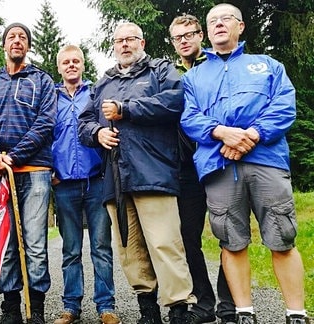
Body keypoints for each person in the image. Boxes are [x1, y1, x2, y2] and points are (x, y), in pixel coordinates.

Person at [180, 4, 310, 324]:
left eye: (225, 19)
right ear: (207, 33)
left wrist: (251, 135)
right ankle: (243, 312)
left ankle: (295, 312)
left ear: (240, 27)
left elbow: (283, 106)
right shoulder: (194, 76)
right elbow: (188, 116)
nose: (218, 24)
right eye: (212, 22)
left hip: (266, 160)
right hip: (219, 165)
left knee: (282, 237)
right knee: (231, 241)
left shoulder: (267, 66)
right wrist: (221, 132)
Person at [78, 21, 196, 324]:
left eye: (131, 39)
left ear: (142, 43)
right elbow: (84, 121)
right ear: (114, 46)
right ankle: (148, 311)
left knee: (165, 243)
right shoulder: (104, 82)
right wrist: (96, 135)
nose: (125, 45)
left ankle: (179, 309)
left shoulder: (160, 71)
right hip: (116, 177)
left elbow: (174, 102)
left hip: (154, 171)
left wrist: (126, 108)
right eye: (119, 41)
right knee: (130, 250)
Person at [0, 22, 56, 324]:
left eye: (22, 37)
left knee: (34, 242)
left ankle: (37, 310)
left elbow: (46, 123)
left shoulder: (42, 81)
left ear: (28, 46)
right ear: (4, 45)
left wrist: (14, 156)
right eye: (11, 37)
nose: (16, 41)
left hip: (34, 172)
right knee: (5, 241)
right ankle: (10, 309)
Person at [169, 14, 236, 324]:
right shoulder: (169, 74)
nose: (184, 40)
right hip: (185, 167)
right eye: (177, 37)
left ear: (201, 36)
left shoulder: (217, 66)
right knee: (187, 236)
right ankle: (204, 302)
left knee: (229, 233)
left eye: (190, 34)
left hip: (219, 159)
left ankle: (229, 303)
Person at [51, 44, 119, 324]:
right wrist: (50, 170)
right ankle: (71, 306)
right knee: (71, 249)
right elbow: (44, 137)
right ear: (59, 67)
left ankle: (106, 306)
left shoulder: (97, 93)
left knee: (101, 246)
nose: (71, 65)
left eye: (76, 61)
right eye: (65, 62)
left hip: (96, 182)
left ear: (82, 65)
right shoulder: (50, 98)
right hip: (64, 183)